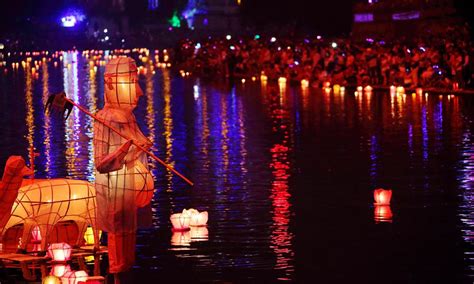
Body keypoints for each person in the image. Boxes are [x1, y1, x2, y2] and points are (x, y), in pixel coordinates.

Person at [93, 57, 154, 283]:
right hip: (114, 190)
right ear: (110, 83)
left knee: (129, 233)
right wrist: (125, 151)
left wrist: (140, 147)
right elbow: (101, 163)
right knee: (117, 230)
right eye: (130, 82)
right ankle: (117, 275)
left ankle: (126, 272)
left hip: (130, 190)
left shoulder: (129, 118)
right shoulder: (104, 119)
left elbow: (139, 144)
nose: (138, 92)